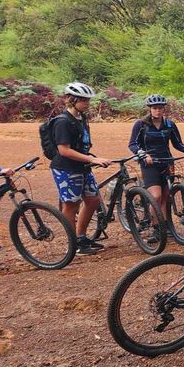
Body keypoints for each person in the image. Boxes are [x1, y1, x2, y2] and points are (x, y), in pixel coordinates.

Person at [128, 95, 184, 242]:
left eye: (160, 108)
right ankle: (156, 229)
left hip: (167, 162)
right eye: (155, 108)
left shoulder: (169, 124)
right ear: (150, 109)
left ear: (164, 109)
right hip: (150, 164)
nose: (158, 111)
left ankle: (165, 226)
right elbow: (133, 144)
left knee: (167, 197)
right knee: (156, 196)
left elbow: (177, 143)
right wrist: (143, 154)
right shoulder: (141, 124)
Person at [49, 82, 111, 255]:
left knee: (93, 200)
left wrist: (90, 158)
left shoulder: (81, 118)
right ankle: (73, 244)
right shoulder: (62, 121)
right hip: (66, 168)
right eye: (83, 100)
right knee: (71, 205)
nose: (87, 103)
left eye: (88, 100)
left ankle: (81, 237)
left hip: (83, 166)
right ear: (72, 99)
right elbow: (64, 150)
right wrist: (93, 159)